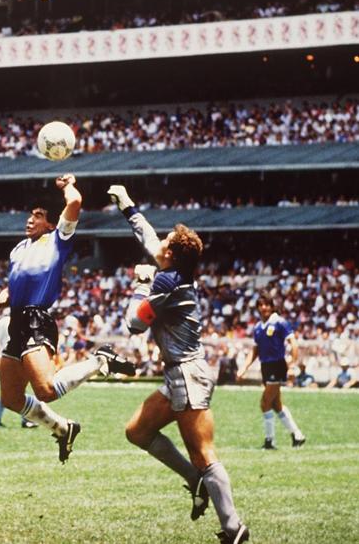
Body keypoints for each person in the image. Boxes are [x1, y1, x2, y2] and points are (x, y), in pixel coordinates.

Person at [107, 185, 249, 544]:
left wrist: (140, 284)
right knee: (137, 431)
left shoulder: (168, 282)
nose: (159, 246)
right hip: (179, 373)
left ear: (170, 254)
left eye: (165, 243)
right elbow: (150, 238)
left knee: (203, 452)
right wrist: (128, 206)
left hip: (188, 374)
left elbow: (134, 323)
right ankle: (195, 480)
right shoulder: (174, 272)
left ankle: (234, 529)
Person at [0, 174, 135, 463]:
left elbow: (75, 201)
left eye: (37, 217)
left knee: (47, 390)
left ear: (51, 223)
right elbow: (14, 284)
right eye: (30, 216)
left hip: (37, 319)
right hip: (16, 320)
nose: (30, 221)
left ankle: (99, 361)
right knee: (11, 399)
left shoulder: (58, 239)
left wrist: (67, 186)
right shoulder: (18, 249)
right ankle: (63, 428)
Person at [236, 293, 306, 449]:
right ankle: (297, 435)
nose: (263, 308)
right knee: (276, 404)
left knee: (264, 402)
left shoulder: (280, 323)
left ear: (272, 306)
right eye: (260, 305)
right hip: (265, 366)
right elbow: (255, 351)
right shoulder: (257, 327)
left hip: (277, 365)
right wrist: (243, 368)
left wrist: (292, 366)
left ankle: (270, 440)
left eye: (266, 304)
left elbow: (294, 344)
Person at [0, 313, 37, 429]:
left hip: (20, 359)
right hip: (7, 359)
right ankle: (23, 420)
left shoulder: (25, 322)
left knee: (16, 390)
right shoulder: (5, 322)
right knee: (10, 391)